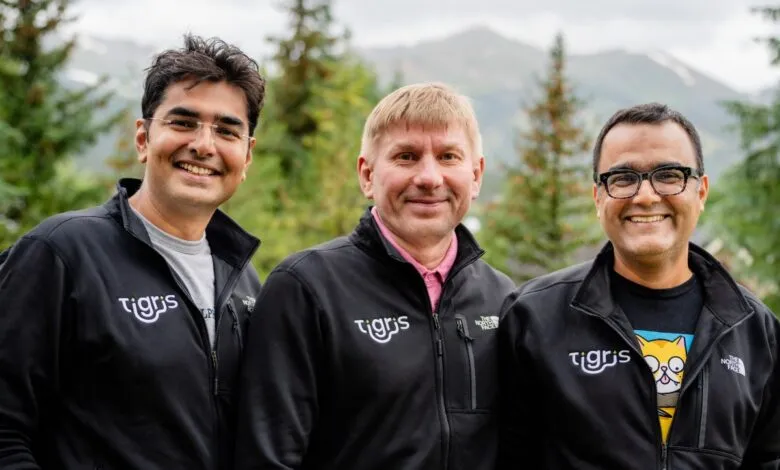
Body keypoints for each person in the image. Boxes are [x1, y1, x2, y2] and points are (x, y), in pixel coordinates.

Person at [0, 34, 265, 469]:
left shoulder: (244, 280)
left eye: (226, 130)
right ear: (143, 138)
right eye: (183, 122)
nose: (203, 144)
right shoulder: (61, 253)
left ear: (247, 155)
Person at [234, 82, 515, 470]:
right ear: (367, 175)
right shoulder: (305, 289)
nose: (430, 177)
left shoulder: (503, 300)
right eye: (406, 157)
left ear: (477, 174)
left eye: (448, 156)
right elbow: (268, 459)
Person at [498, 102, 780, 469]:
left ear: (701, 192)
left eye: (669, 175)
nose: (645, 196)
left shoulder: (756, 331)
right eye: (623, 178)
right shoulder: (532, 318)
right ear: (598, 197)